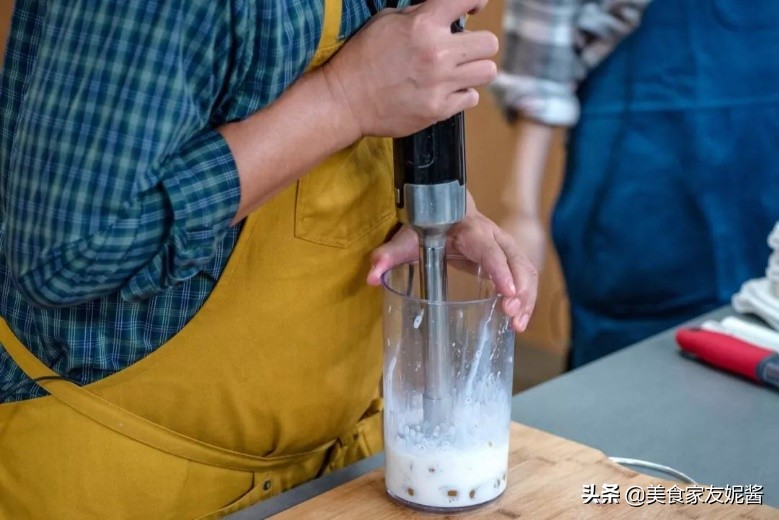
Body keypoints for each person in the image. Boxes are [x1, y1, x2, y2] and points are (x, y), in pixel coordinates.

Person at [0, 0, 538, 517]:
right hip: (129, 479)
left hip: (341, 468)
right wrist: (342, 99)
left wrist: (436, 206)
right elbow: (66, 255)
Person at [493, 0, 779, 368]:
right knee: (627, 379)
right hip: (640, 176)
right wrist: (521, 211)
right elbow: (539, 57)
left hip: (764, 167)